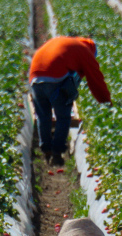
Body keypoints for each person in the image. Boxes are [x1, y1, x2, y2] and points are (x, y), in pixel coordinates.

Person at [30, 37, 111, 166]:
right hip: (54, 77)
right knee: (63, 116)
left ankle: (46, 150)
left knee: (43, 115)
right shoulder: (84, 50)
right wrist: (105, 101)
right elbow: (96, 78)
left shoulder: (64, 43)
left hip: (35, 77)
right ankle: (56, 152)